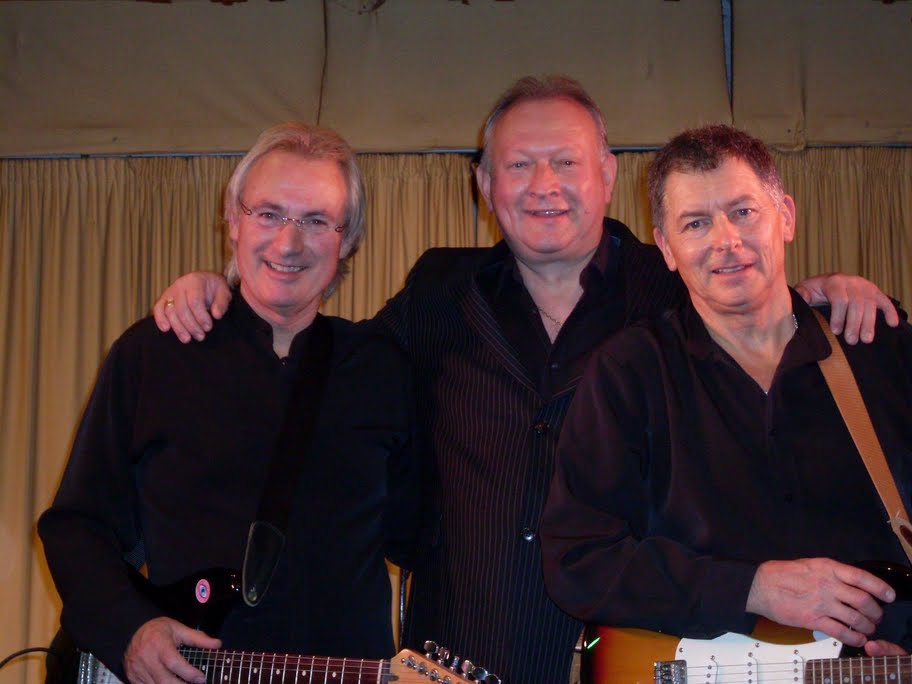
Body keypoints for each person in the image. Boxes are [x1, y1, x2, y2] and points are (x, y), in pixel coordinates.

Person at [150, 78, 900, 683]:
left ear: (607, 174)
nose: (545, 185)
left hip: (641, 654)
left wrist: (819, 298)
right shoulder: (438, 293)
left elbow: (751, 298)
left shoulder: (673, 292)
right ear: (484, 183)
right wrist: (228, 292)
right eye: (518, 165)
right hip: (459, 658)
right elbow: (325, 362)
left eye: (567, 162)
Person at [38, 122, 420, 684]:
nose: (288, 243)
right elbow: (76, 526)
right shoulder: (154, 353)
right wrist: (129, 630)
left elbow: (427, 536)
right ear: (232, 219)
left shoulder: (384, 366)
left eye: (317, 221)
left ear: (348, 241)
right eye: (268, 213)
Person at [539, 124, 912, 676]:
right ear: (666, 248)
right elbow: (579, 559)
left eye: (743, 212)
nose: (726, 240)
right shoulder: (629, 371)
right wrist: (751, 588)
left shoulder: (881, 351)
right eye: (696, 223)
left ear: (786, 216)